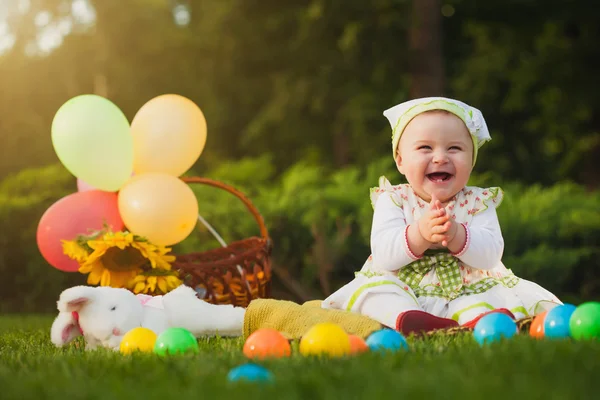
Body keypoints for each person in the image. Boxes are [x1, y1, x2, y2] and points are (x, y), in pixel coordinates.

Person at [322, 97, 562, 335]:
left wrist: (458, 234)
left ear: (471, 160)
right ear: (400, 161)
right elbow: (384, 253)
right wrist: (419, 234)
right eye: (425, 147)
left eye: (454, 148)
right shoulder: (393, 199)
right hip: (403, 281)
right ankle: (407, 318)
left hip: (466, 283)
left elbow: (490, 254)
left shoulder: (478, 202)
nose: (440, 157)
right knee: (377, 293)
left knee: (482, 298)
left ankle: (477, 320)